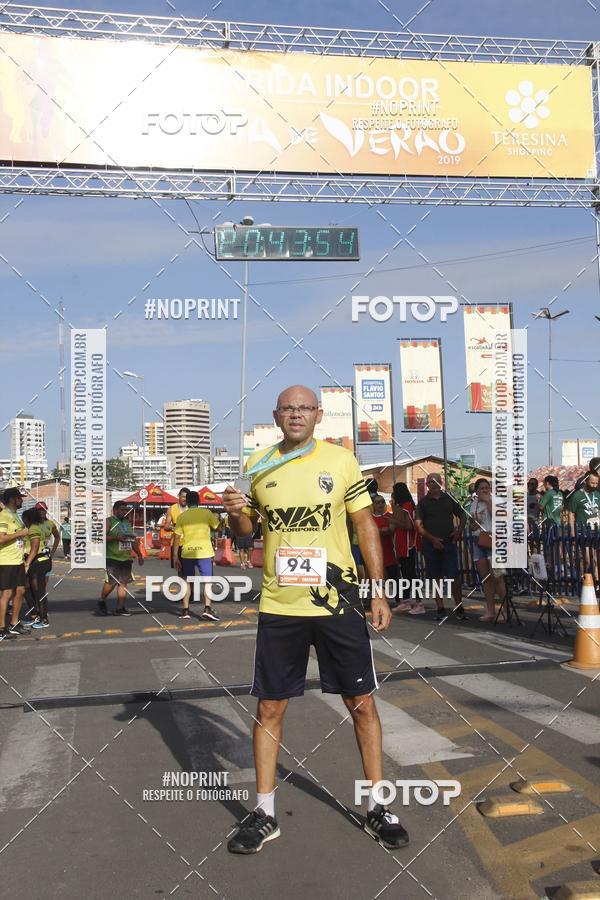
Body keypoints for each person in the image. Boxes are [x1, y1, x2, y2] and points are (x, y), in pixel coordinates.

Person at [222, 385, 408, 855]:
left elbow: (365, 523)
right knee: (269, 708)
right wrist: (237, 516)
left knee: (361, 702)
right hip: (281, 604)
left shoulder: (341, 461)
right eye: (288, 408)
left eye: (305, 408)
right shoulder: (259, 465)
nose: (297, 415)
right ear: (276, 415)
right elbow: (246, 535)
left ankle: (378, 806)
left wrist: (378, 589)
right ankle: (264, 813)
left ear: (318, 415)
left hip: (338, 602)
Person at [415, 473, 467, 621]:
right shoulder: (423, 503)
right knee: (435, 578)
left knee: (454, 577)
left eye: (436, 481)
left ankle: (459, 607)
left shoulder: (449, 499)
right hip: (431, 546)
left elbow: (463, 515)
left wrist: (458, 532)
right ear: (426, 485)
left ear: (441, 482)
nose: (433, 484)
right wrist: (432, 540)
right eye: (430, 482)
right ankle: (440, 608)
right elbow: (418, 526)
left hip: (449, 543)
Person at [172, 490, 220, 621]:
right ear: (199, 501)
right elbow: (218, 527)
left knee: (186, 582)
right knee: (207, 582)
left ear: (186, 502)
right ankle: (207, 609)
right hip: (204, 552)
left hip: (187, 552)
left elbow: (176, 538)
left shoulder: (182, 517)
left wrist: (175, 556)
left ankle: (185, 610)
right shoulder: (207, 513)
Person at [469, 478, 507, 622]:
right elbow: (472, 525)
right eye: (482, 488)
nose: (485, 490)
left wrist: (488, 501)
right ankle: (490, 611)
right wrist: (474, 523)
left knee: (497, 576)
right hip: (479, 540)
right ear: (476, 491)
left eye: (487, 487)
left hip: (494, 540)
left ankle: (505, 610)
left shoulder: (495, 500)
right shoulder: (474, 504)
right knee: (486, 578)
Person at [98, 501, 144, 616]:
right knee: (111, 582)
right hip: (111, 557)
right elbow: (100, 537)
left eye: (125, 510)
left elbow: (132, 540)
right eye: (122, 509)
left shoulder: (127, 523)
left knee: (123, 583)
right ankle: (102, 600)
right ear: (115, 510)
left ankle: (121, 608)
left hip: (126, 557)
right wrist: (115, 537)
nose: (124, 512)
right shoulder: (109, 521)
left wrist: (139, 554)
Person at [0, 487, 30, 640]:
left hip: (18, 560)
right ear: (12, 499)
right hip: (6, 561)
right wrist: (21, 533)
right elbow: (1, 538)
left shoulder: (15, 515)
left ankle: (14, 623)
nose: (22, 500)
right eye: (19, 497)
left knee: (20, 591)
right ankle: (1, 628)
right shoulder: (4, 516)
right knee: (7, 593)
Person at [390, 482, 424, 615]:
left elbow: (408, 526)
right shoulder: (403, 506)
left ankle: (419, 603)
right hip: (403, 545)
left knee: (411, 575)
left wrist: (392, 521)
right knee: (406, 574)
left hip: (408, 545)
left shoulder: (406, 506)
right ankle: (406, 601)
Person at [371, 494, 398, 606]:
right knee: (380, 577)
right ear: (373, 505)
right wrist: (381, 530)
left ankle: (400, 600)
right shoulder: (370, 518)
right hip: (376, 552)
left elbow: (391, 530)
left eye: (382, 502)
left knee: (394, 577)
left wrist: (379, 531)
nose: (381, 504)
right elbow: (370, 532)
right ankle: (381, 600)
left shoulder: (389, 516)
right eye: (378, 502)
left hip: (389, 550)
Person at [163, 488, 190, 568]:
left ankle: (188, 580)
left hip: (189, 543)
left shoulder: (191, 509)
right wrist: (173, 527)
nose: (184, 499)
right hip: (176, 544)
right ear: (178, 496)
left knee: (189, 570)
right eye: (183, 497)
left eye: (186, 497)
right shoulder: (172, 509)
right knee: (179, 569)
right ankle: (182, 580)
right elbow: (166, 526)